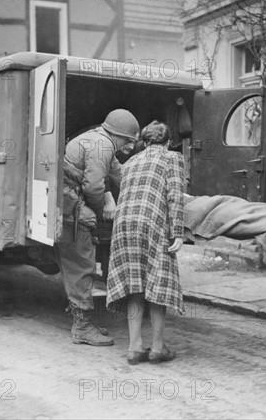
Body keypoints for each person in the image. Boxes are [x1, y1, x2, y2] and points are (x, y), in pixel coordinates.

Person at [56, 109, 140, 346]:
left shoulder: (101, 141)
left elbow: (119, 175)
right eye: (129, 141)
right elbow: (93, 187)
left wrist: (139, 188)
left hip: (70, 203)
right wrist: (102, 206)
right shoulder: (102, 145)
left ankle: (80, 317)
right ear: (117, 134)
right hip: (73, 209)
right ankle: (81, 327)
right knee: (81, 263)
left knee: (78, 262)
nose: (131, 148)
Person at [106, 121, 185, 365]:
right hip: (153, 224)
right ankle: (158, 348)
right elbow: (175, 196)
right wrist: (178, 232)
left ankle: (134, 347)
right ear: (168, 142)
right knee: (158, 286)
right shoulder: (173, 158)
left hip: (124, 225)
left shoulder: (130, 162)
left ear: (145, 142)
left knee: (135, 285)